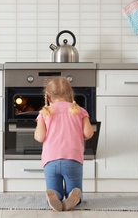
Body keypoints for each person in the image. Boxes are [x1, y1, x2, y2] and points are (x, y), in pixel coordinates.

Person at [34, 77, 94, 212]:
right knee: (75, 190)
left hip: (51, 161)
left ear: (48, 97)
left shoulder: (44, 112)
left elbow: (39, 137)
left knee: (55, 189)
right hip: (73, 160)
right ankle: (74, 197)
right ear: (70, 94)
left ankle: (55, 195)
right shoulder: (79, 110)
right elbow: (88, 133)